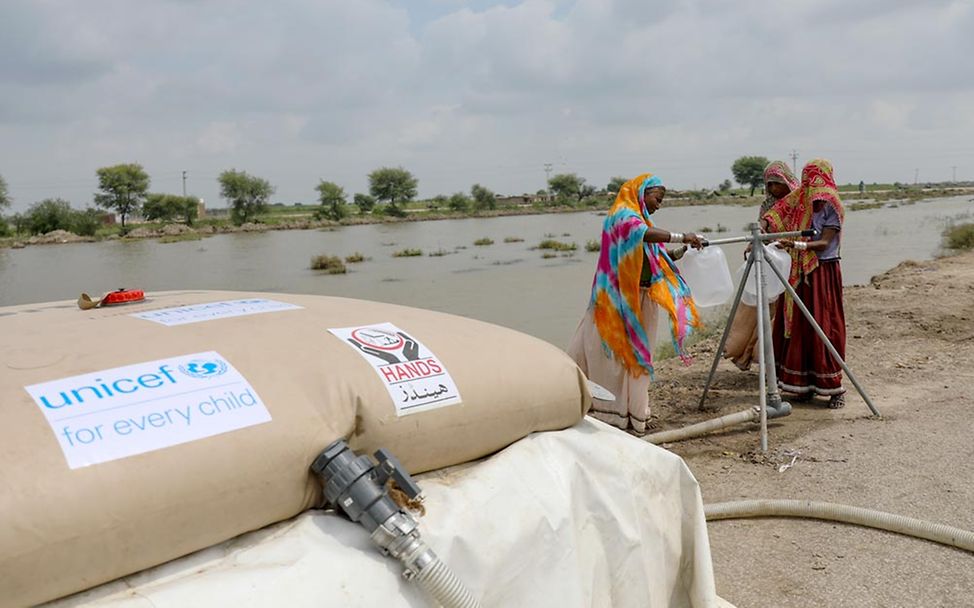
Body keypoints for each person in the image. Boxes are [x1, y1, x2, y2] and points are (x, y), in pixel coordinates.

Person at [568, 173, 704, 435]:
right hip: (615, 302)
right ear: (641, 193)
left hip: (639, 299)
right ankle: (609, 411)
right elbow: (641, 235)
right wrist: (682, 236)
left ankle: (632, 412)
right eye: (657, 198)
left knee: (638, 358)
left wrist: (678, 253)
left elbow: (649, 256)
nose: (659, 204)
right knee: (612, 359)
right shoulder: (623, 215)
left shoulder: (642, 219)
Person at [764, 159, 847, 408]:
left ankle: (834, 389)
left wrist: (795, 244)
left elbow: (823, 243)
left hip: (822, 272)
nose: (814, 190)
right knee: (800, 327)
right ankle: (801, 386)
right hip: (800, 272)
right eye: (809, 183)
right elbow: (775, 214)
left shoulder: (832, 206)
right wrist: (763, 230)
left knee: (824, 326)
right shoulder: (801, 202)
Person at [723, 161, 800, 370]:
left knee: (794, 316)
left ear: (787, 181)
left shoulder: (800, 202)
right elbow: (762, 230)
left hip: (797, 261)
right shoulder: (768, 206)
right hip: (775, 262)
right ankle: (758, 357)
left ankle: (790, 364)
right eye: (770, 184)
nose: (774, 188)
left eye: (777, 183)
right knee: (766, 315)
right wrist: (755, 243)